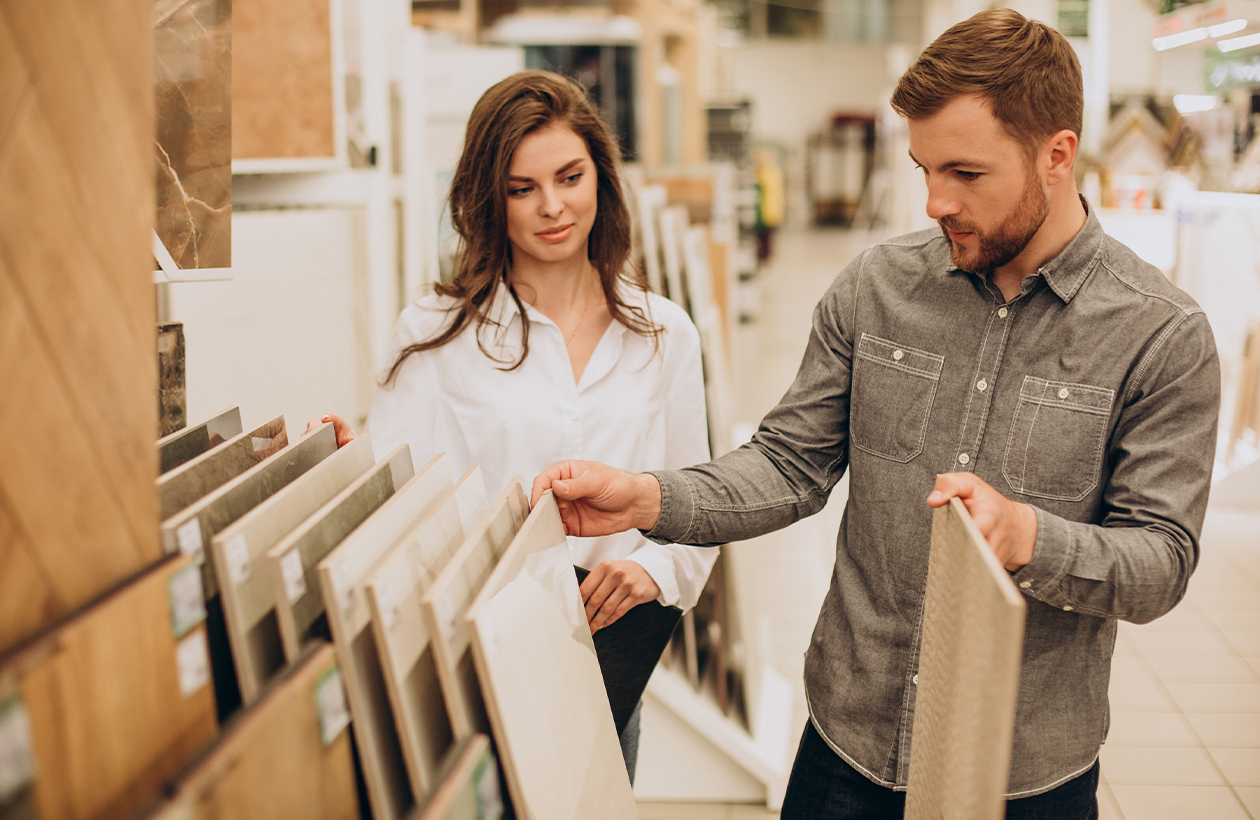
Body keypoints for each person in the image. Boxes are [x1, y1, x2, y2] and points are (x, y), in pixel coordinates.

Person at [531, 10, 1220, 819]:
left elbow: (1160, 561)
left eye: (965, 172)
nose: (935, 201)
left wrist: (1028, 537)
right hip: (846, 750)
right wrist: (647, 497)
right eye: (924, 168)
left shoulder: (1159, 335)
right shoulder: (877, 288)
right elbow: (790, 465)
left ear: (1057, 156)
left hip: (1022, 774)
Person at [314, 70, 715, 780]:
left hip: (607, 660)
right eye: (521, 188)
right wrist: (352, 478)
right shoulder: (435, 333)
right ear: (487, 199)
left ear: (601, 177)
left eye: (570, 177)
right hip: (478, 660)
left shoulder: (663, 333)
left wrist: (651, 571)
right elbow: (402, 503)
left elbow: (698, 505)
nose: (552, 207)